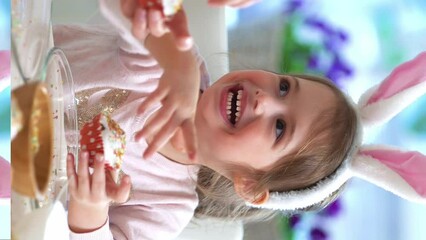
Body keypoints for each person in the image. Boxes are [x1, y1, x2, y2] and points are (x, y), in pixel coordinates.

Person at [60, 0, 426, 239]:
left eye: (280, 127)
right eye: (284, 87)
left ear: (249, 184)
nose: (265, 99)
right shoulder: (170, 67)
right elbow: (130, 9)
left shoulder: (167, 206)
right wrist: (177, 60)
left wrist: (91, 210)